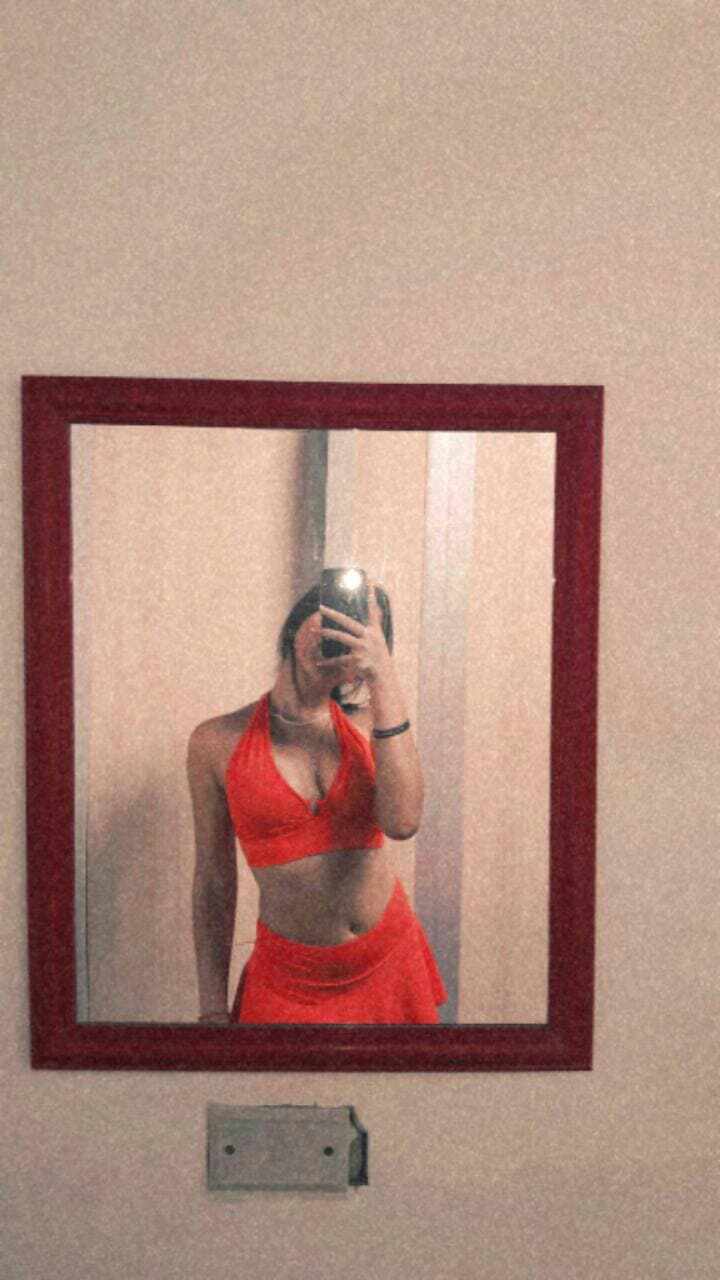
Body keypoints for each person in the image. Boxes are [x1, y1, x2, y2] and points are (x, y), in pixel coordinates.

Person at [187, 576, 446, 1024]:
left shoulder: (373, 727)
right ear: (296, 623)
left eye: (354, 630)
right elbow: (214, 882)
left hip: (389, 961)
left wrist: (382, 675)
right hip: (290, 980)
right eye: (328, 619)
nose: (334, 636)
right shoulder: (215, 742)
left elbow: (403, 822)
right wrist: (212, 1009)